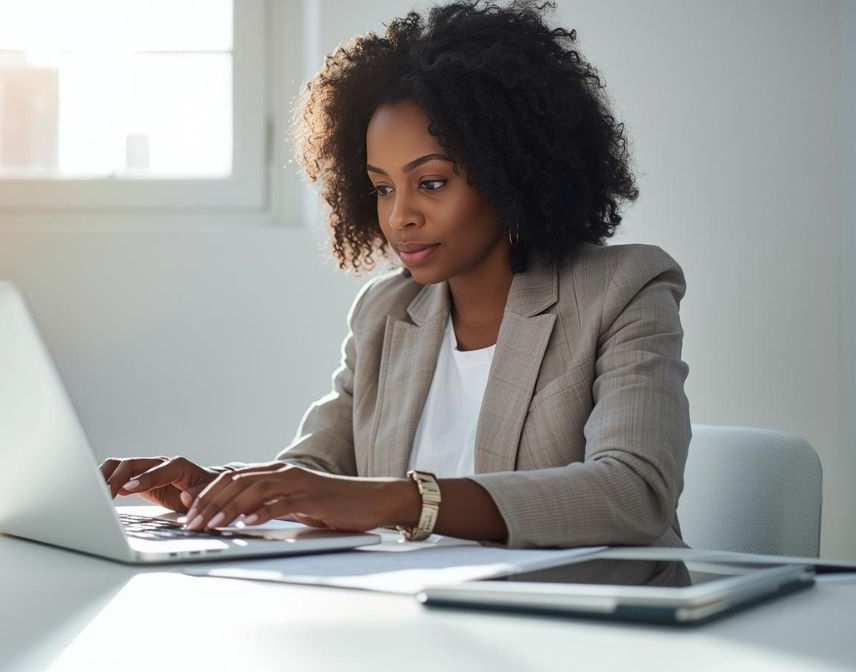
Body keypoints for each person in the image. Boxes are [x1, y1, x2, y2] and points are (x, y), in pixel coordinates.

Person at [98, 0, 691, 549]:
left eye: (430, 182)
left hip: (593, 622)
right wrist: (220, 489)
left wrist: (399, 499)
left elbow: (634, 492)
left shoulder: (622, 289)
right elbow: (320, 473)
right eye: (382, 187)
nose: (399, 215)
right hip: (422, 621)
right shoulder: (385, 312)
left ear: (512, 174)